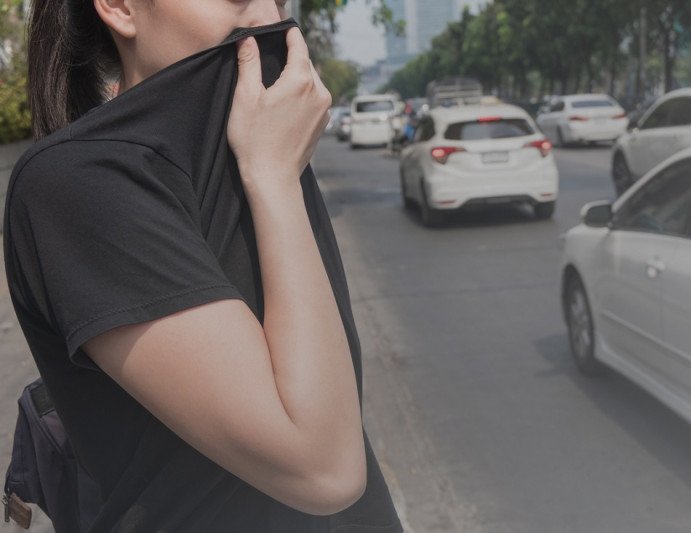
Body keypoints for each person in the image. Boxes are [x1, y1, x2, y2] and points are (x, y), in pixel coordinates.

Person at [3, 0, 402, 531]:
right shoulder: (79, 183)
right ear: (121, 8)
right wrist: (275, 180)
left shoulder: (252, 137)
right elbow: (324, 470)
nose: (266, 18)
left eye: (277, 0)